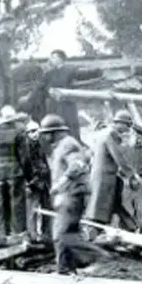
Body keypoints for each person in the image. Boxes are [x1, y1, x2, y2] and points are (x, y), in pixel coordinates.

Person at [39, 113, 90, 274]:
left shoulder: (68, 144)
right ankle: (70, 269)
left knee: (60, 234)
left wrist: (62, 183)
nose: (45, 137)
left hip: (70, 195)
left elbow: (77, 165)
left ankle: (64, 270)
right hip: (68, 195)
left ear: (55, 132)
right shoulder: (62, 146)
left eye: (47, 133)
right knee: (68, 234)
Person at [87, 110, 138, 234]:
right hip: (106, 177)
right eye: (127, 125)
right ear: (120, 123)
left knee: (112, 203)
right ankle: (95, 232)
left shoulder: (101, 134)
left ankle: (131, 227)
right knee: (101, 208)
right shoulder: (111, 134)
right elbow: (118, 156)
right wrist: (131, 175)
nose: (127, 130)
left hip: (99, 175)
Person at [34, 49, 103, 140]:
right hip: (53, 106)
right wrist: (48, 91)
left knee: (71, 127)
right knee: (55, 127)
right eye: (50, 57)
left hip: (68, 104)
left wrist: (97, 71)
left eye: (53, 57)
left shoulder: (70, 69)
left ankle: (76, 143)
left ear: (61, 58)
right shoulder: (48, 74)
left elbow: (83, 74)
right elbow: (40, 87)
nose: (51, 59)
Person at [0, 105, 30, 240]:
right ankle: (18, 236)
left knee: (1, 207)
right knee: (17, 206)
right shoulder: (19, 133)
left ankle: (1, 236)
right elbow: (24, 157)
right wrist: (29, 176)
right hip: (15, 174)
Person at [24, 119, 52, 242]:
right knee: (32, 211)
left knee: (47, 208)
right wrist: (31, 182)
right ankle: (33, 236)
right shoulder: (25, 148)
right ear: (27, 133)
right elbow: (26, 166)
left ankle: (46, 235)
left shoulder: (39, 145)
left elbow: (45, 162)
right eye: (32, 131)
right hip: (34, 183)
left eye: (37, 131)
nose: (35, 134)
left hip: (44, 182)